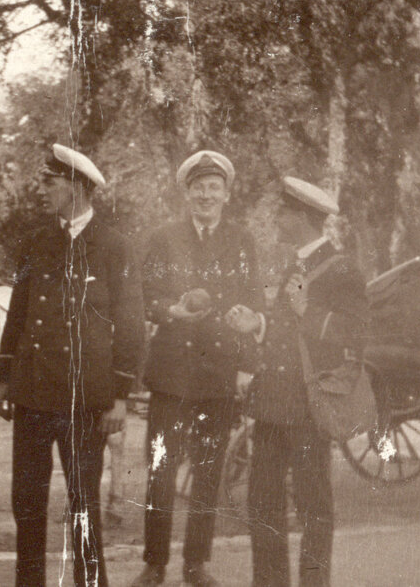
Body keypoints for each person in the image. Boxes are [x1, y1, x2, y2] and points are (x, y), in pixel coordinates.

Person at [0, 143, 146, 587]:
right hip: (34, 393)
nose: (43, 190)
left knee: (83, 501)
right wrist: (4, 378)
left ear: (78, 187)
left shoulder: (115, 247)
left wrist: (120, 397)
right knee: (26, 499)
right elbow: (19, 314)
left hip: (86, 399)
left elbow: (131, 327)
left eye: (51, 182)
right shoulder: (37, 242)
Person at [131, 151, 265, 587]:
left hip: (218, 375)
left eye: (214, 188)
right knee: (161, 469)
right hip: (172, 372)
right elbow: (142, 296)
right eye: (198, 187)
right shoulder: (162, 237)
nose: (206, 195)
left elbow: (254, 302)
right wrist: (169, 309)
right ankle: (155, 563)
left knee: (208, 471)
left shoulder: (242, 241)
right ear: (186, 192)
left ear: (226, 195)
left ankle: (196, 563)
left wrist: (245, 367)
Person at [235, 176, 367, 587]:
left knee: (314, 508)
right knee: (263, 505)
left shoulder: (342, 268)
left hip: (309, 408)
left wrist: (308, 311)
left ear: (303, 218)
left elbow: (355, 333)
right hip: (273, 404)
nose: (277, 219)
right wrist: (255, 326)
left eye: (284, 213)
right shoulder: (294, 262)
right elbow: (282, 331)